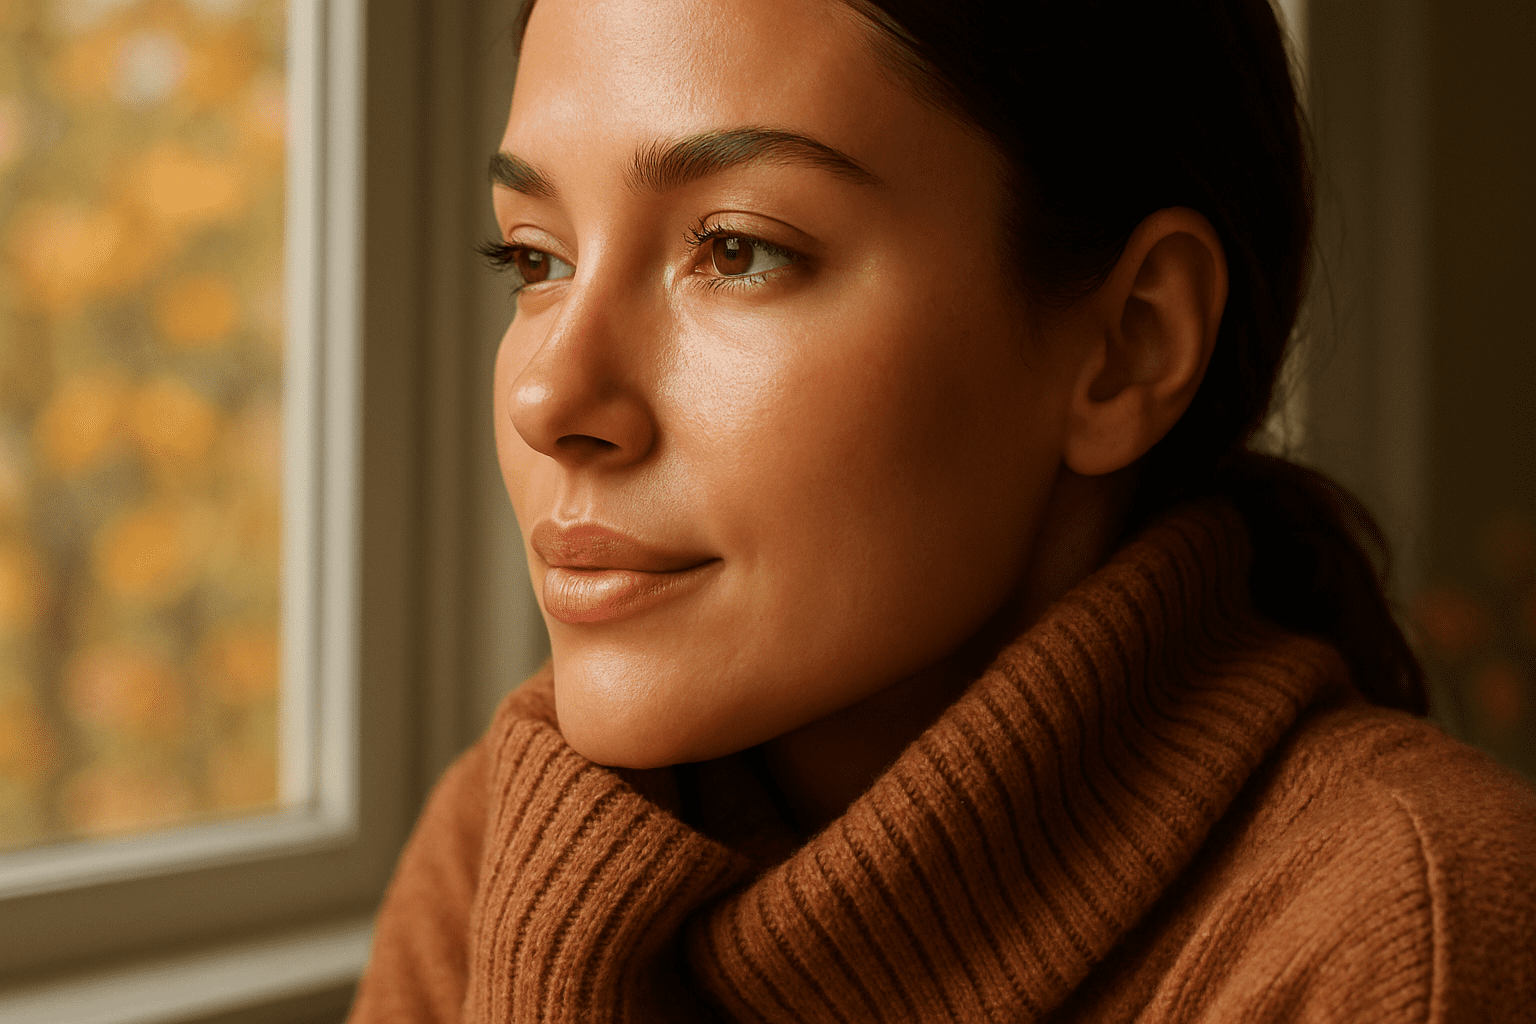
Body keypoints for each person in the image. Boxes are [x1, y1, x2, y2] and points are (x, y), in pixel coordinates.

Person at [349, 0, 1536, 1020]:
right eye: (535, 260)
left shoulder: (1412, 933)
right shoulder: (508, 848)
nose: (552, 395)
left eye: (740, 249)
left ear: (1129, 345)